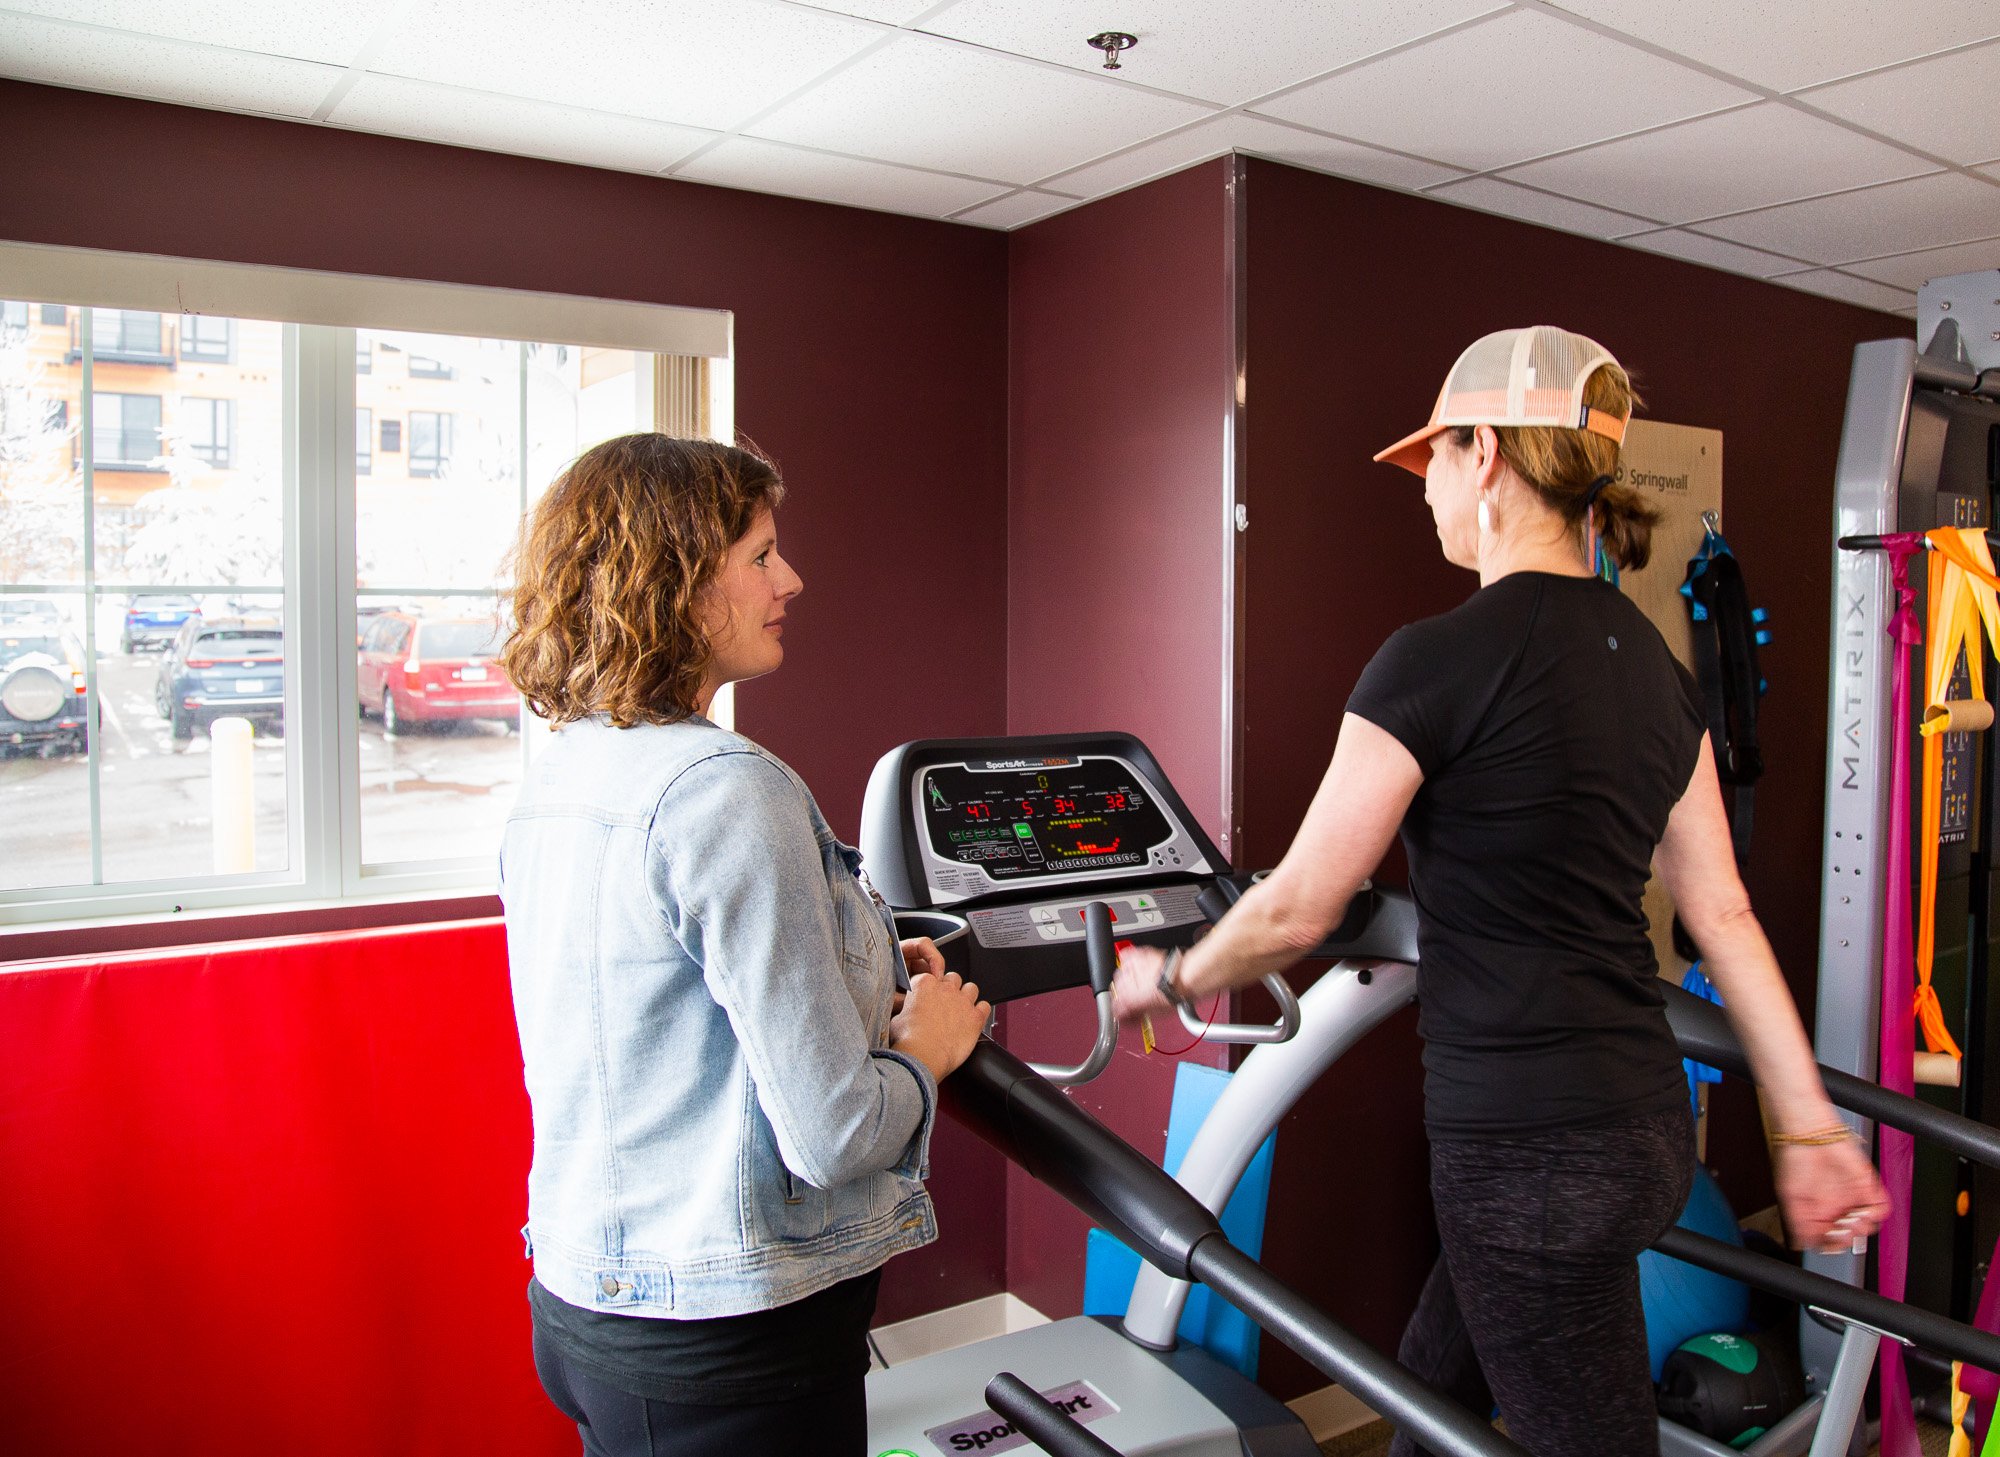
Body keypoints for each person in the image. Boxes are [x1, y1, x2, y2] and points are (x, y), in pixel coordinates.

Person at [1111, 328, 1888, 1457]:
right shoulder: (1654, 667)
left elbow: (1299, 906)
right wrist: (1804, 1126)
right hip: (1638, 1127)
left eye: (1431, 457)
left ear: (1484, 455)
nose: (1421, 488)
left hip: (1526, 1152)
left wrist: (1166, 975)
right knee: (1435, 1377)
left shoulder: (1429, 661)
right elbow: (1720, 913)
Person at [497, 434, 990, 1457]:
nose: (791, 579)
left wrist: (874, 980)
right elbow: (836, 1134)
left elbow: (670, 1000)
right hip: (726, 1339)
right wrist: (925, 1050)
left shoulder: (572, 770)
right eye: (760, 555)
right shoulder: (725, 785)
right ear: (674, 579)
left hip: (589, 1296)